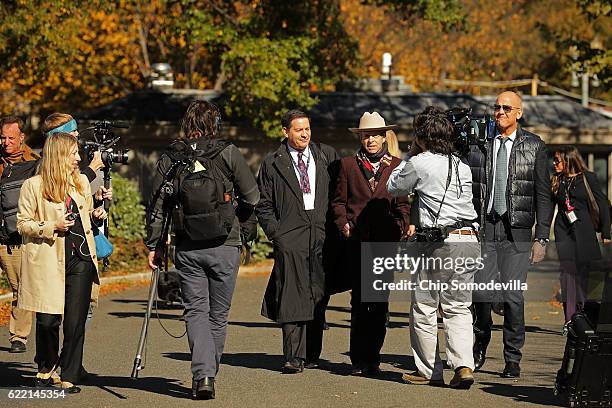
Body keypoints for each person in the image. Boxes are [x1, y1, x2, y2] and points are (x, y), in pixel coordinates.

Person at [145, 100, 259, 400]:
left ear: (188, 125)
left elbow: (157, 205)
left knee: (195, 310)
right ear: (215, 124)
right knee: (218, 315)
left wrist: (154, 245)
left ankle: (202, 373)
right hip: (225, 244)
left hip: (187, 245)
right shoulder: (228, 153)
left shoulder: (173, 157)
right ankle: (209, 373)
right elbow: (253, 196)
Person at [387, 107, 480, 389]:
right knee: (459, 306)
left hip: (439, 243)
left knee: (425, 306)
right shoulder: (460, 164)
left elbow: (394, 186)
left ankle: (428, 370)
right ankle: (463, 365)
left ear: (422, 137)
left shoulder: (421, 162)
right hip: (469, 239)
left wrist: (410, 154)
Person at [468, 91, 553, 378]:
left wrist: (542, 238)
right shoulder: (480, 144)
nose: (499, 112)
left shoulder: (535, 146)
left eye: (506, 107)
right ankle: (478, 347)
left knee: (513, 297)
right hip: (487, 229)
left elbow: (543, 195)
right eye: (497, 107)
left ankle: (512, 358)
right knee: (480, 293)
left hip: (517, 232)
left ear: (519, 113)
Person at [17, 132, 106, 393]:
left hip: (80, 259)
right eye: (74, 154)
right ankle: (46, 366)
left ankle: (69, 374)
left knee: (75, 320)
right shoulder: (33, 186)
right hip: (47, 261)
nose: (79, 159)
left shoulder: (79, 182)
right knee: (47, 321)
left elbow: (87, 215)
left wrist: (96, 213)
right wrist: (51, 226)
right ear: (59, 156)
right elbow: (23, 224)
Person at [256, 109, 339, 373]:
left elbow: (339, 192)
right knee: (292, 295)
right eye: (299, 129)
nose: (304, 134)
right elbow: (264, 204)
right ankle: (293, 357)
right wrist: (277, 235)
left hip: (322, 235)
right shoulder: (273, 163)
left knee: (317, 294)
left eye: (307, 129)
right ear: (286, 131)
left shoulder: (325, 155)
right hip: (290, 236)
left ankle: (312, 353)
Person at [331, 111, 410, 376]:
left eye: (376, 135)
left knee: (379, 303)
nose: (371, 140)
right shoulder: (348, 165)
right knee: (359, 302)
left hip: (384, 244)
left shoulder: (398, 166)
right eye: (366, 136)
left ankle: (372, 357)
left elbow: (403, 205)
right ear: (361, 138)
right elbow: (339, 202)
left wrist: (399, 228)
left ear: (384, 136)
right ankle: (357, 359)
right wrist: (343, 223)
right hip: (356, 241)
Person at [551, 146, 611, 325]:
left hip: (585, 232)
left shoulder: (588, 178)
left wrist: (606, 233)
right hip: (563, 233)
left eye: (558, 160)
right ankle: (570, 319)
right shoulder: (557, 180)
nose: (554, 164)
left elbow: (602, 204)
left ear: (569, 161)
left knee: (587, 275)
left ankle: (589, 315)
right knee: (568, 275)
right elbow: (549, 207)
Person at [0, 116, 40, 353]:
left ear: (22, 138)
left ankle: (19, 336)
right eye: (2, 137)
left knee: (21, 288)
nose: (5, 142)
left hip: (15, 239)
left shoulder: (34, 164)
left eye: (10, 138)